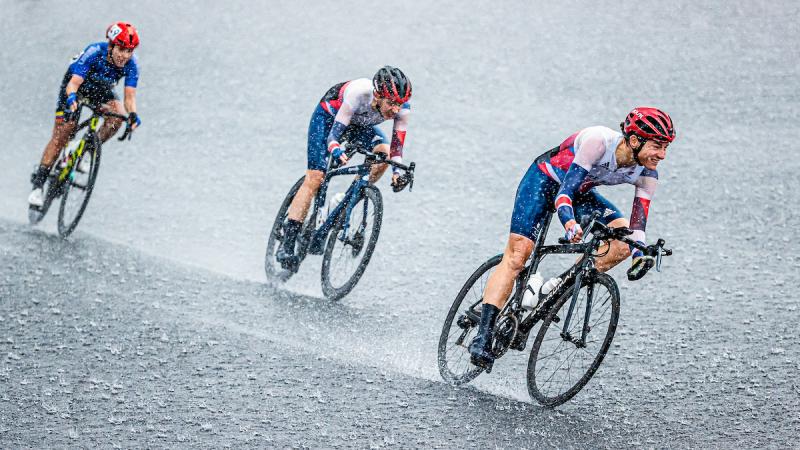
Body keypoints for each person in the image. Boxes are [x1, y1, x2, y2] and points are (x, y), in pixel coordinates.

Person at [468, 107, 676, 369]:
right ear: (635, 140)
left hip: (580, 192)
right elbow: (563, 195)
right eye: (657, 146)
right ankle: (483, 334)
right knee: (518, 256)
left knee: (623, 242)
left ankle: (556, 287)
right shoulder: (599, 142)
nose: (663, 155)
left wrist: (640, 255)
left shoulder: (647, 173)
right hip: (545, 181)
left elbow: (637, 228)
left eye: (666, 147)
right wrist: (570, 224)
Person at [275, 66, 412, 268]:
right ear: (377, 95)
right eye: (391, 103)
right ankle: (289, 238)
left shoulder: (402, 108)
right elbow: (333, 136)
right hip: (329, 119)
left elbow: (396, 150)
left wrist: (397, 172)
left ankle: (346, 199)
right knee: (315, 177)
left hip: (360, 125)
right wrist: (336, 149)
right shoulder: (358, 94)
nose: (395, 110)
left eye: (399, 104)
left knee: (383, 156)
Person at [28, 22, 142, 207]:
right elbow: (74, 83)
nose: (125, 55)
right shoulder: (94, 52)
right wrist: (72, 97)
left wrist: (133, 114)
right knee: (63, 133)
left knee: (117, 118)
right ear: (111, 45)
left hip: (100, 90)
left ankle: (86, 151)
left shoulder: (132, 64)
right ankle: (38, 185)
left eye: (129, 50)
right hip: (76, 88)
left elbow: (129, 97)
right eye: (121, 49)